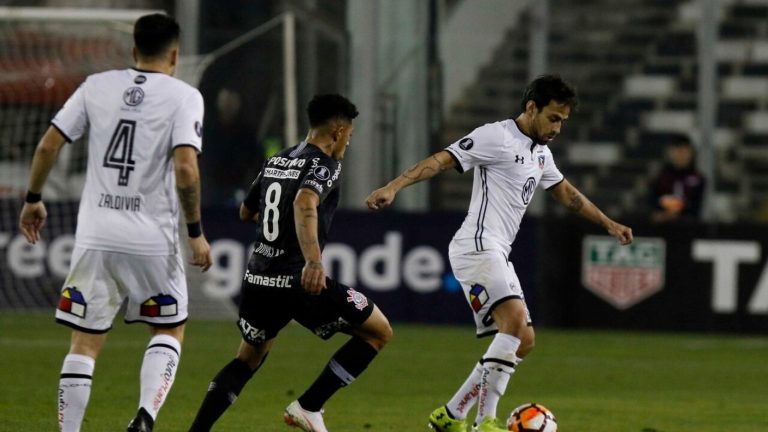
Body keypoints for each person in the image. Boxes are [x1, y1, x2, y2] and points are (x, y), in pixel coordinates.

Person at [366, 75, 633, 432]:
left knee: (523, 340)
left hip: (496, 251)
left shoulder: (541, 153)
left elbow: (567, 193)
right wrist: (394, 186)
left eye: (563, 122)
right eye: (553, 118)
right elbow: (444, 159)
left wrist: (608, 224)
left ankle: (451, 413)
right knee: (515, 323)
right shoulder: (498, 136)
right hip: (477, 245)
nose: (557, 128)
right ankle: (485, 422)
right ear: (531, 107)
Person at [17, 14, 212, 432]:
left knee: (84, 342)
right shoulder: (185, 96)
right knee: (168, 326)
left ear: (133, 49)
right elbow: (186, 170)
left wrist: (33, 198)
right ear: (175, 55)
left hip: (95, 236)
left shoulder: (96, 86)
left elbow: (48, 145)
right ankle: (144, 418)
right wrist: (195, 232)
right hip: (152, 240)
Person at [188, 94, 392, 432]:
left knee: (247, 359)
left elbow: (246, 211)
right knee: (378, 331)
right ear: (339, 130)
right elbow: (305, 201)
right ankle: (309, 406)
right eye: (350, 135)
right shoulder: (325, 164)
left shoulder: (278, 159)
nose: (348, 143)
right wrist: (313, 261)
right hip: (298, 280)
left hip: (258, 279)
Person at [649, 134, 705, 223]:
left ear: (691, 153)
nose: (681, 155)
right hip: (661, 227)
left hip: (688, 227)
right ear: (670, 152)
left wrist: (678, 215)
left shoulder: (698, 178)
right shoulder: (660, 177)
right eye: (678, 151)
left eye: (684, 151)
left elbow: (696, 207)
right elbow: (652, 202)